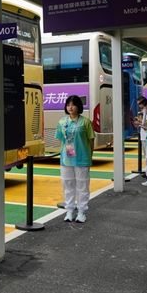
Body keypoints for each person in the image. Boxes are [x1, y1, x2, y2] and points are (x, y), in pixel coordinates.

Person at [55, 95, 95, 223]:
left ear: (79, 106)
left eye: (73, 104)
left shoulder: (85, 122)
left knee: (82, 185)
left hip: (82, 158)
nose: (70, 107)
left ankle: (82, 211)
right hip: (66, 159)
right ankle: (70, 210)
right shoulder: (62, 122)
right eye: (68, 105)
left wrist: (90, 156)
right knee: (68, 184)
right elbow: (61, 140)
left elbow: (91, 140)